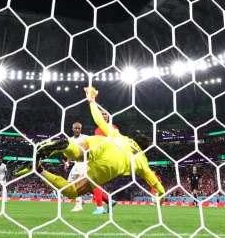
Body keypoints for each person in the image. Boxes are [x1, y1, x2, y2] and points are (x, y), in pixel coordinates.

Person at [14, 87, 164, 214]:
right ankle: (39, 170)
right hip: (109, 165)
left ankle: (65, 145)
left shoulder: (121, 135)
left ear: (135, 139)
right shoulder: (142, 161)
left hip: (102, 144)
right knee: (72, 191)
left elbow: (99, 120)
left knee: (77, 152)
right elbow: (158, 187)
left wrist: (91, 99)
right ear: (145, 149)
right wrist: (161, 197)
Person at [90, 109, 118, 215]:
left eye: (106, 114)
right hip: (99, 158)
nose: (104, 116)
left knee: (94, 181)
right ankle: (108, 201)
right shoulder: (97, 131)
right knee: (90, 182)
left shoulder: (113, 127)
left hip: (108, 158)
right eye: (102, 114)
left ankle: (100, 207)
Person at [67, 122, 89, 212]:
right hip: (76, 163)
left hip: (84, 163)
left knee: (76, 183)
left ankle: (78, 205)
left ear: (81, 129)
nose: (77, 130)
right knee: (69, 184)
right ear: (72, 129)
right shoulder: (70, 140)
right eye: (75, 128)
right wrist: (67, 162)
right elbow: (70, 153)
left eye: (78, 128)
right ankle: (81, 200)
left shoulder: (86, 138)